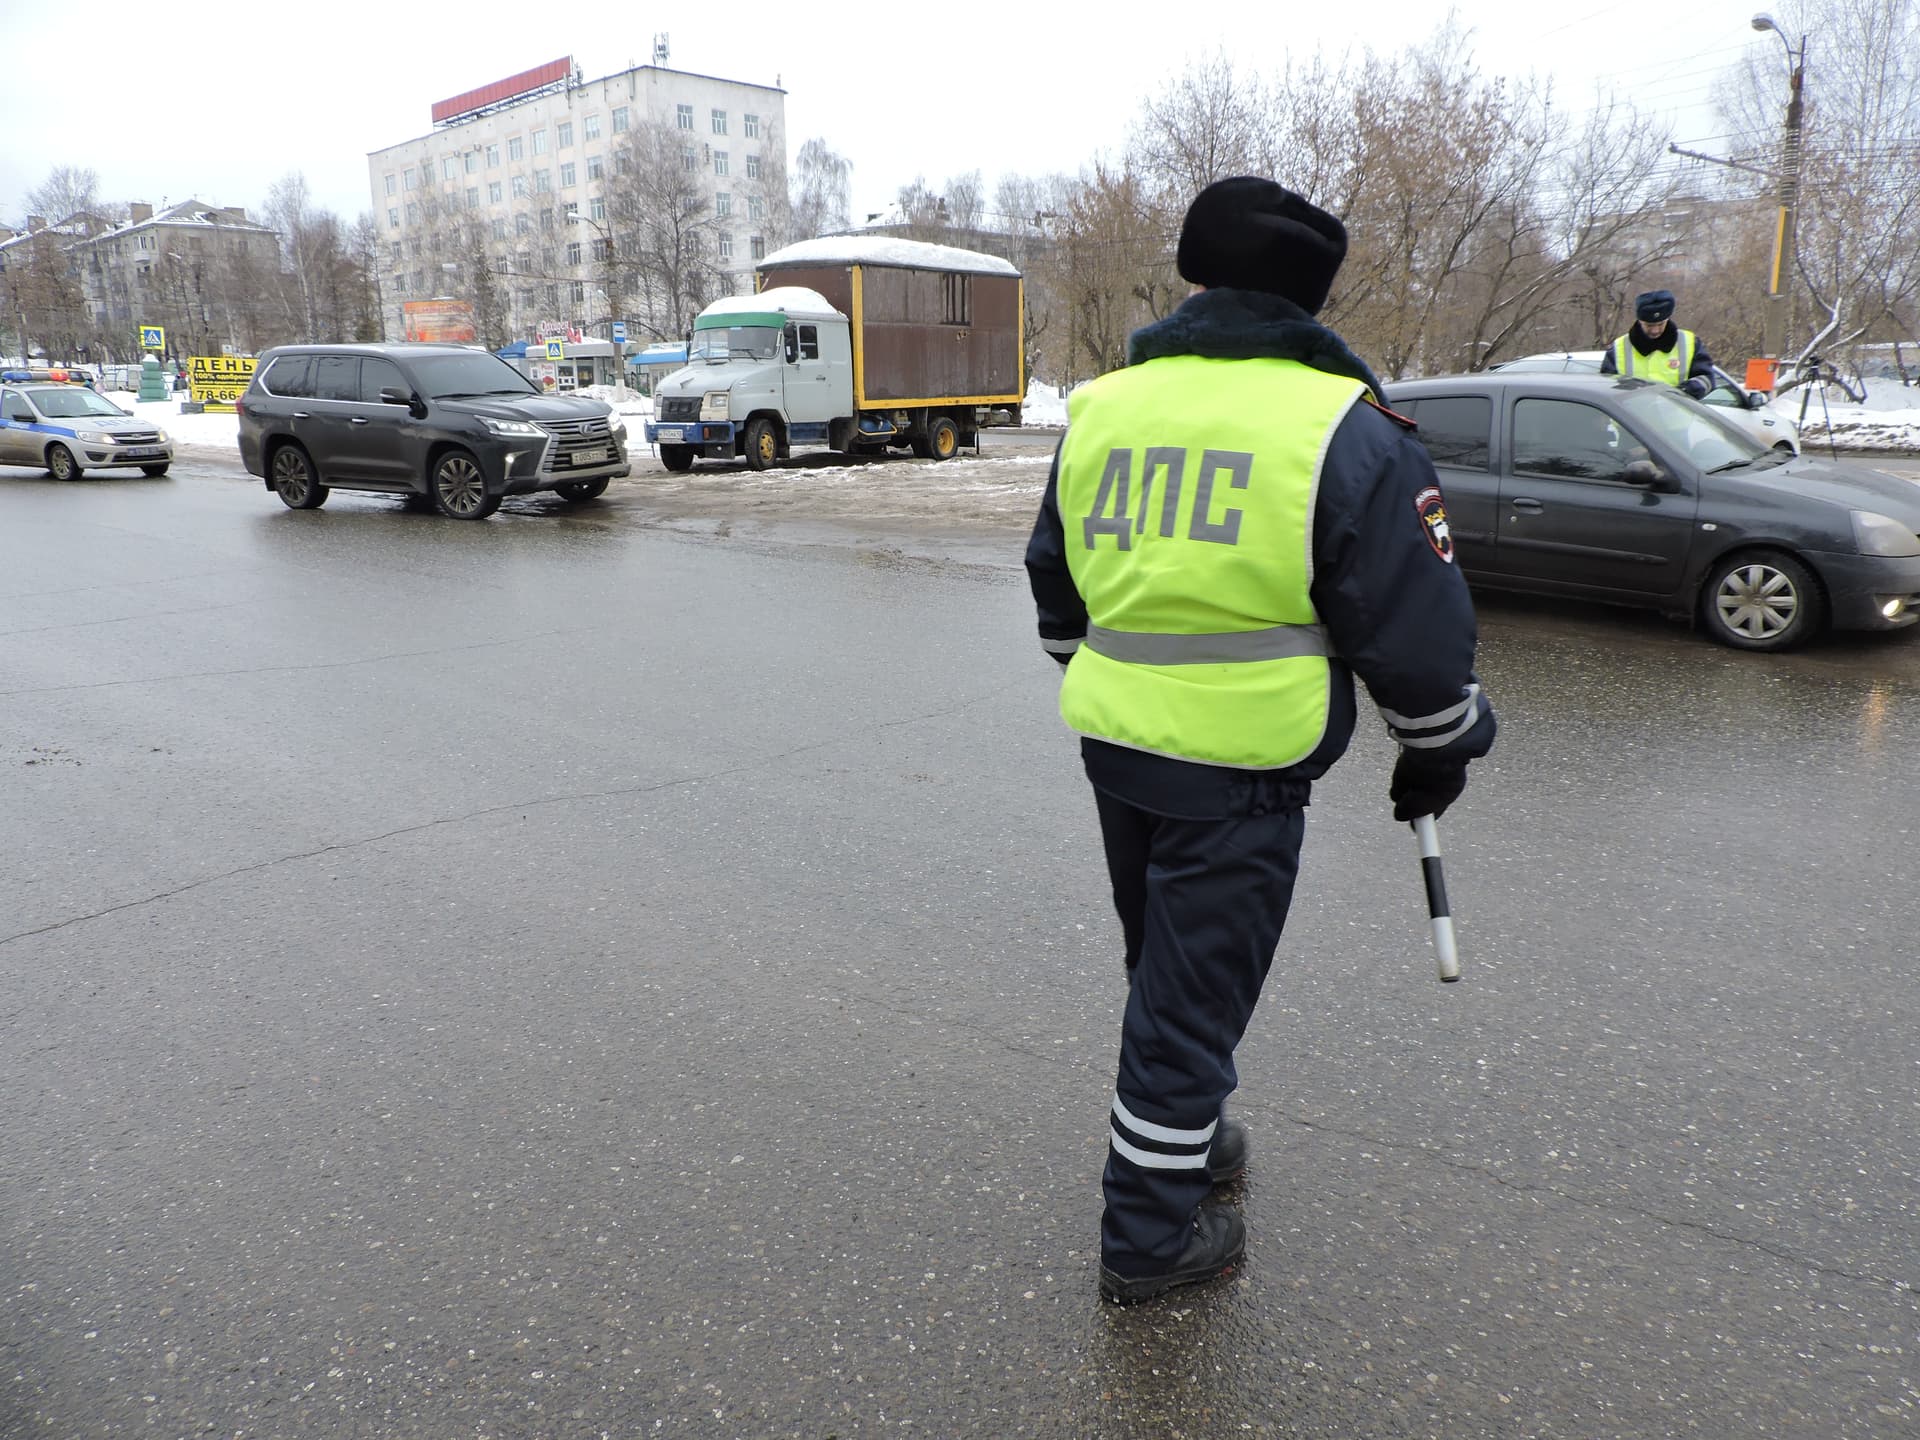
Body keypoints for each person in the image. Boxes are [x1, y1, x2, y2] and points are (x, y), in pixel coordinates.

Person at [1025, 177, 1497, 1305]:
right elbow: (1412, 628)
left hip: (1117, 746)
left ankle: (1190, 1132)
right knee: (1190, 1001)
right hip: (1242, 768)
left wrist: (1115, 676)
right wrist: (1442, 742)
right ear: (1310, 296)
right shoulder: (1341, 425)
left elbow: (1056, 583)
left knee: (1167, 969)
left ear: (1196, 275)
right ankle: (1145, 1240)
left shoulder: (1109, 406)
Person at [1600, 289, 1715, 398]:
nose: (1655, 330)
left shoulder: (1690, 342)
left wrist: (1682, 393)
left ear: (1668, 319)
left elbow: (1707, 379)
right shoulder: (1619, 348)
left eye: (1660, 324)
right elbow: (1606, 386)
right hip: (1629, 418)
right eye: (1649, 325)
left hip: (1676, 416)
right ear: (1640, 321)